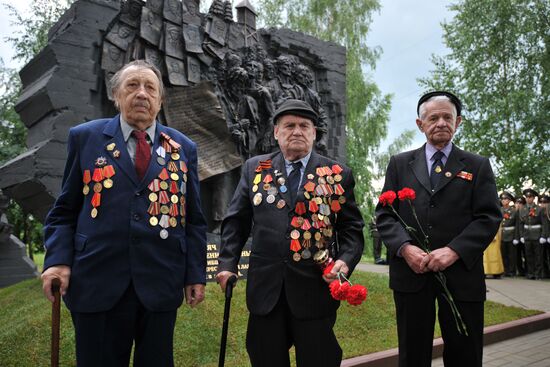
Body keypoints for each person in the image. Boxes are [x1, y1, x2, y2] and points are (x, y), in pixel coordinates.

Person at [40, 60, 207, 366]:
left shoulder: (183, 148)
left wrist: (195, 274)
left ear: (159, 100)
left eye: (150, 87)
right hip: (97, 281)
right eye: (132, 85)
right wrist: (58, 260)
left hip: (160, 281)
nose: (141, 93)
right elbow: (64, 210)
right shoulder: (85, 138)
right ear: (116, 95)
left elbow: (194, 219)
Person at [216, 99, 364, 367]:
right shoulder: (255, 168)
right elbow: (236, 222)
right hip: (265, 291)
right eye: (289, 125)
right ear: (276, 132)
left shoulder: (337, 174)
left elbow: (351, 229)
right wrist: (227, 263)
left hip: (314, 291)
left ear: (314, 133)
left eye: (304, 126)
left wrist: (345, 261)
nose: (297, 131)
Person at [375, 91, 502, 367]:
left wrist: (454, 250)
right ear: (420, 124)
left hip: (461, 276)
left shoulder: (477, 165)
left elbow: (489, 217)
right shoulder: (399, 163)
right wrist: (405, 248)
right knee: (412, 353)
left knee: (464, 353)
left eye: (448, 117)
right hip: (412, 275)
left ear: (458, 123)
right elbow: (385, 214)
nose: (441, 123)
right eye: (434, 117)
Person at [518, 188, 544, 279]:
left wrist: (543, 235)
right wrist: (521, 235)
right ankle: (530, 273)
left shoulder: (539, 209)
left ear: (533, 198)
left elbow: (543, 223)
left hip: (537, 234)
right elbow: (521, 224)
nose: (528, 199)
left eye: (530, 197)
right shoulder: (522, 209)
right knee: (528, 255)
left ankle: (538, 273)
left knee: (538, 255)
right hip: (527, 235)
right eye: (527, 197)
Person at [500, 191, 518, 276]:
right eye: (502, 199)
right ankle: (505, 270)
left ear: (509, 200)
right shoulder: (499, 210)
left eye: (505, 199)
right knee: (503, 254)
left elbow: (517, 225)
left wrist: (516, 237)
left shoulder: (513, 211)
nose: (503, 200)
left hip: (511, 234)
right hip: (502, 235)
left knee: (512, 255)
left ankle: (512, 271)